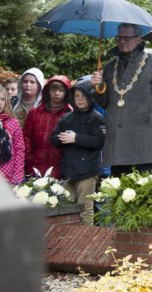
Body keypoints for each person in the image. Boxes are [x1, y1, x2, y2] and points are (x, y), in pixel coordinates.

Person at [91, 23, 152, 176]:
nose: (122, 41)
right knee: (119, 195)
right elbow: (105, 103)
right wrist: (98, 87)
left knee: (143, 196)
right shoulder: (110, 66)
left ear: (139, 39)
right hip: (117, 144)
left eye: (127, 38)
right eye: (119, 38)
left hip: (144, 143)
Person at [50, 80, 105, 224]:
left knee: (86, 208)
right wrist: (61, 138)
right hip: (69, 170)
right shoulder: (67, 117)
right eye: (76, 96)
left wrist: (76, 138)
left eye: (83, 96)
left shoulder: (97, 118)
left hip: (88, 171)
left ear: (90, 97)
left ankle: (88, 242)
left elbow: (100, 141)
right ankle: (70, 241)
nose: (79, 99)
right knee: (67, 207)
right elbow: (53, 138)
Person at [23, 75, 72, 179]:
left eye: (61, 90)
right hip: (35, 165)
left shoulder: (71, 114)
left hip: (61, 167)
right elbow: (26, 137)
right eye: (53, 89)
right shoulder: (34, 113)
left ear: (67, 92)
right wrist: (29, 159)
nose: (56, 93)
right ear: (47, 91)